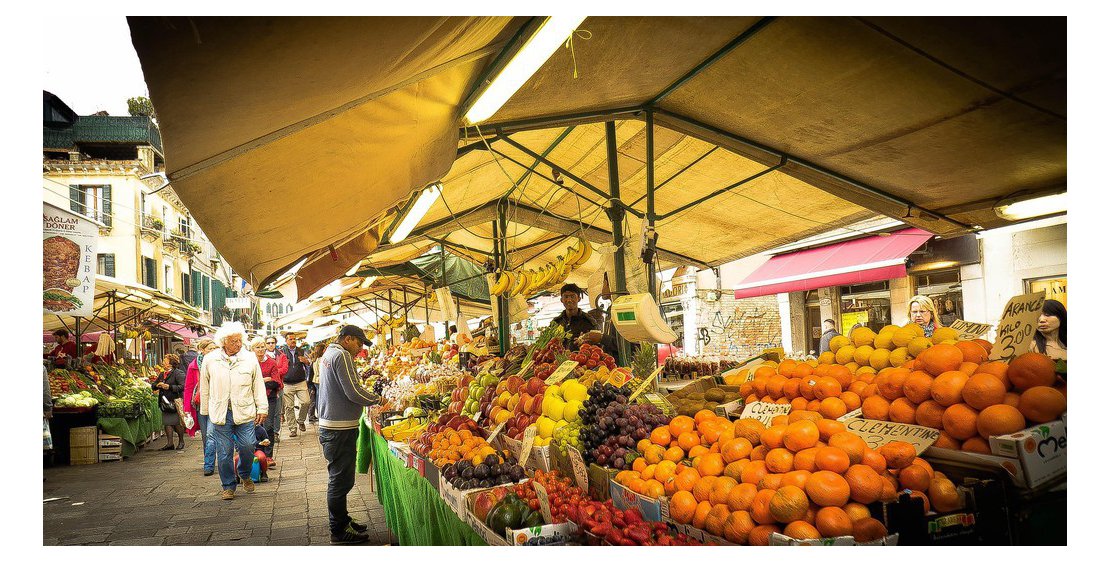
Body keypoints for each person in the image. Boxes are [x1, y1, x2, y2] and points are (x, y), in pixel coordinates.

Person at [317, 325, 381, 544]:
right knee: (340, 481)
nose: (360, 348)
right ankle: (338, 530)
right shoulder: (342, 355)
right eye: (359, 343)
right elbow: (352, 391)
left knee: (341, 478)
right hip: (338, 428)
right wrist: (377, 399)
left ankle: (343, 520)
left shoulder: (329, 353)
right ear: (348, 339)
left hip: (333, 425)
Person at [200, 322, 268, 500]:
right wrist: (205, 411)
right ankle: (228, 486)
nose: (238, 344)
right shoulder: (210, 359)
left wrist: (262, 408)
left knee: (247, 445)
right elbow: (204, 386)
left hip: (244, 411)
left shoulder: (250, 358)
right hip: (220, 412)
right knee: (224, 453)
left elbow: (258, 385)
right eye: (233, 341)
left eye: (240, 340)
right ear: (223, 342)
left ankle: (244, 473)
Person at [185, 338, 219, 475]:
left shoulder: (219, 364)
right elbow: (188, 387)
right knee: (205, 436)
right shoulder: (193, 366)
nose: (213, 351)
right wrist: (186, 408)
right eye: (210, 349)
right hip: (200, 404)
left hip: (215, 403)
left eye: (214, 349)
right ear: (203, 350)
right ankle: (209, 458)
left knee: (211, 434)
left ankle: (208, 465)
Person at [251, 336, 285, 466]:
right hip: (252, 399)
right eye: (257, 347)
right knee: (254, 426)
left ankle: (268, 455)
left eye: (262, 347)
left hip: (269, 398)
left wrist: (262, 381)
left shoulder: (271, 362)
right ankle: (257, 454)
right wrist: (264, 379)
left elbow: (276, 382)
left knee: (268, 425)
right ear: (252, 349)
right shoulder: (249, 362)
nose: (260, 350)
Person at [278, 332, 312, 437]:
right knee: (289, 407)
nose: (293, 341)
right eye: (290, 339)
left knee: (306, 402)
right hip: (287, 383)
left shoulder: (301, 351)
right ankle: (293, 429)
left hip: (301, 381)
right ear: (286, 341)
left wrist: (306, 361)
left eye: (294, 339)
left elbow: (310, 362)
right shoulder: (281, 352)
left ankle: (301, 420)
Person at [552, 283, 599, 351]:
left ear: (579, 299)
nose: (569, 300)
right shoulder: (556, 322)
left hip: (581, 359)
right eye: (566, 297)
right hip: (559, 360)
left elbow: (597, 345)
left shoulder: (589, 321)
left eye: (572, 296)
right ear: (561, 300)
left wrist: (586, 343)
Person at [155, 353, 187, 450]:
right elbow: (154, 384)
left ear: (170, 363)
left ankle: (181, 441)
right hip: (165, 401)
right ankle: (170, 443)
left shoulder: (178, 373)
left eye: (165, 361)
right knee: (167, 422)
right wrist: (157, 385)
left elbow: (183, 386)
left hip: (175, 401)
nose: (163, 363)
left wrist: (170, 387)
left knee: (176, 423)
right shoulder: (162, 374)